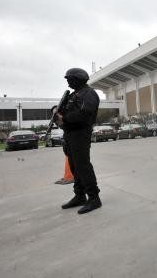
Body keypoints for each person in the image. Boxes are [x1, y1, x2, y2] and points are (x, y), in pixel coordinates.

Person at [57, 68, 102, 214]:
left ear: (78, 78)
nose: (68, 81)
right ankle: (79, 195)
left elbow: (84, 113)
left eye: (70, 78)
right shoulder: (72, 95)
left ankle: (94, 198)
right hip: (69, 134)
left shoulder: (88, 93)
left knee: (83, 165)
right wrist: (55, 111)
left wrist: (65, 119)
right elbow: (63, 110)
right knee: (74, 166)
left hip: (81, 133)